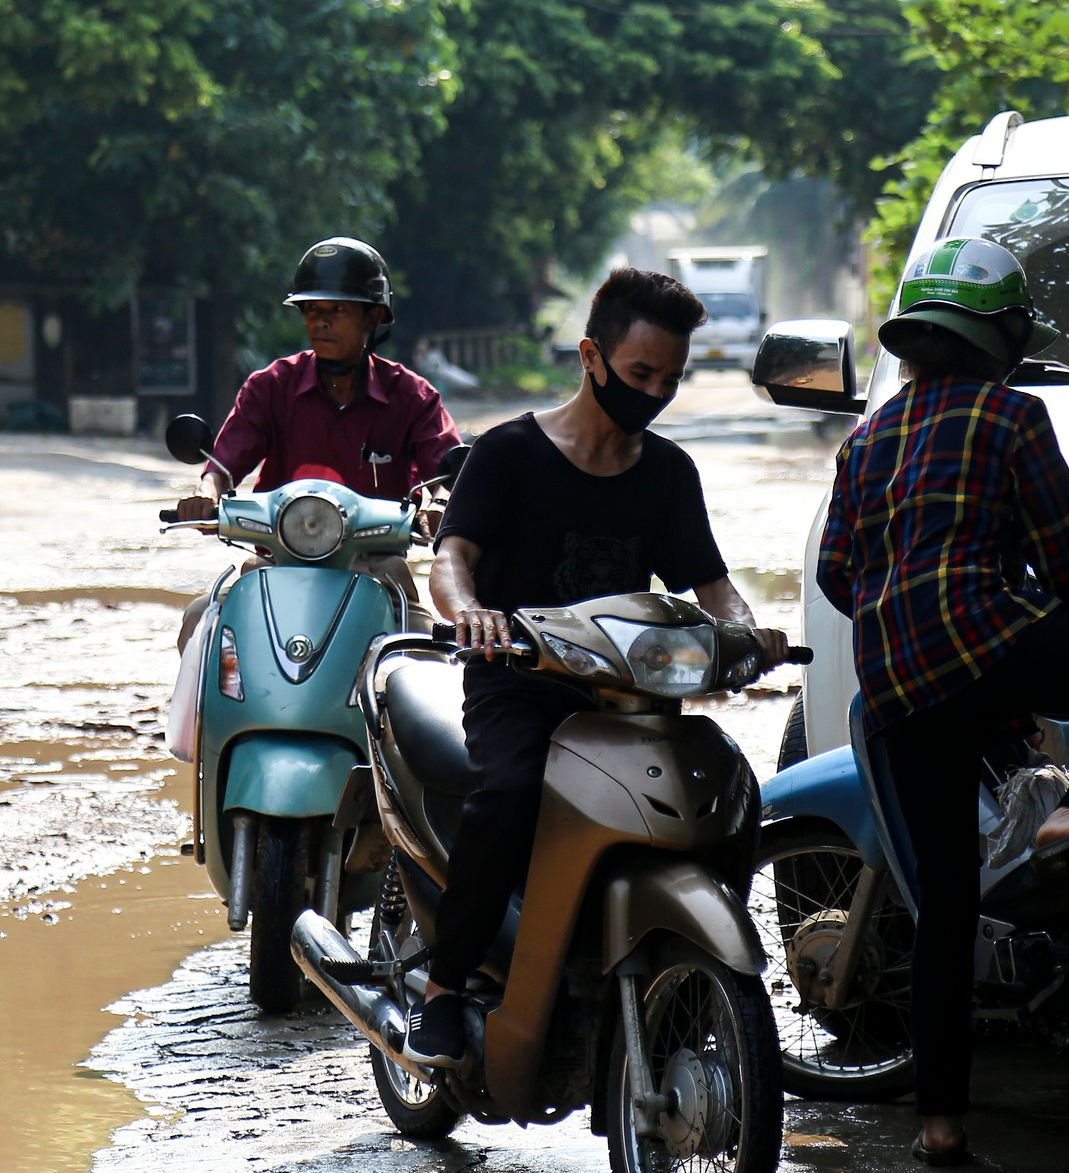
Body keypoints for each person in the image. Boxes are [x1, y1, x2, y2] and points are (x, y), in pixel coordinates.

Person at [815, 237, 1069, 1166]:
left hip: (897, 683)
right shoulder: (1013, 416)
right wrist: (1045, 622)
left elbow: (840, 575)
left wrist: (905, 605)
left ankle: (940, 1122)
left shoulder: (865, 438)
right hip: (989, 643)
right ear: (1001, 336)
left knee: (947, 903)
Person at [403, 267, 788, 1067]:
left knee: (726, 791)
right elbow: (453, 559)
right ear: (591, 355)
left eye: (671, 380)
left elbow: (712, 588)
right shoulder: (509, 453)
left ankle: (683, 977)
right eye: (641, 373)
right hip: (517, 682)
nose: (654, 392)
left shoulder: (670, 474)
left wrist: (748, 632)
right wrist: (470, 610)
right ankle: (442, 989)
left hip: (628, 698)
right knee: (507, 795)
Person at [174, 236, 460, 648]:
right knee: (201, 624)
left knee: (430, 650)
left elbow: (443, 474)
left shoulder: (412, 397)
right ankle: (201, 716)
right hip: (276, 561)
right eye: (311, 310)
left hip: (378, 566)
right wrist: (205, 495)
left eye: (337, 310)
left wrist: (438, 505)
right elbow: (221, 466)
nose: (319, 322)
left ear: (374, 316)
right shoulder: (270, 387)